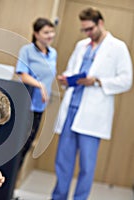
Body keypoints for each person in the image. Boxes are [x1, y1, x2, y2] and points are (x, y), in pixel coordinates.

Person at [52, 7, 132, 200]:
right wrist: (66, 78)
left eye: (90, 29)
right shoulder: (82, 46)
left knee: (87, 166)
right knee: (63, 162)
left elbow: (126, 80)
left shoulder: (117, 47)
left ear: (100, 24)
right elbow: (72, 70)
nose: (87, 33)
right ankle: (58, 197)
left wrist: (97, 81)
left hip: (93, 115)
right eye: (84, 30)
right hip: (72, 110)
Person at [15, 18, 57, 168]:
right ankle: (4, 187)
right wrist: (40, 85)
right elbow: (22, 74)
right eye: (46, 32)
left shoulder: (53, 54)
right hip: (26, 105)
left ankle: (12, 186)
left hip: (39, 107)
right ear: (36, 34)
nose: (50, 35)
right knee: (17, 147)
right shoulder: (27, 51)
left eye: (51, 31)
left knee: (26, 147)